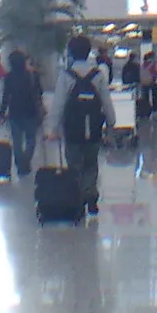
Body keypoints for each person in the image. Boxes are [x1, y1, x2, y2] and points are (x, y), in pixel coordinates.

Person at [54, 35, 110, 217]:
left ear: (71, 52)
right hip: (94, 128)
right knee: (91, 164)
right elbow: (106, 102)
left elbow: (58, 104)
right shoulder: (98, 75)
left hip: (72, 129)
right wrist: (111, 122)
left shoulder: (66, 76)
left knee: (74, 165)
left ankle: (77, 201)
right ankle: (91, 197)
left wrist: (53, 128)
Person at [0, 46, 45, 177]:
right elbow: (40, 92)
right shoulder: (32, 75)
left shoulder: (9, 77)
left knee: (17, 141)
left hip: (15, 112)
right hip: (31, 111)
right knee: (31, 139)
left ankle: (20, 165)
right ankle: (26, 161)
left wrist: (2, 113)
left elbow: (6, 96)